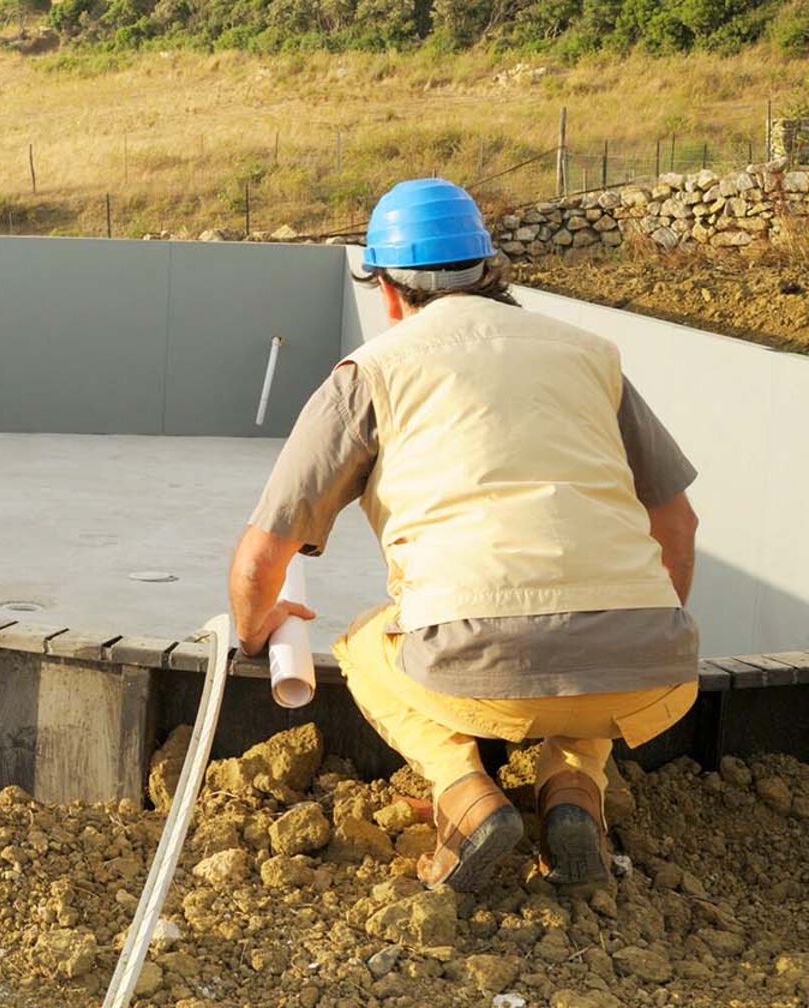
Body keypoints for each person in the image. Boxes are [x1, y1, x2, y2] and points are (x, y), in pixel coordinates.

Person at [227, 178, 701, 891]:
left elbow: (264, 553)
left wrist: (256, 625)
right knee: (589, 647)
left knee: (363, 643)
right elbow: (677, 522)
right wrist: (647, 624)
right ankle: (574, 792)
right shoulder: (590, 353)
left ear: (386, 290)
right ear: (488, 270)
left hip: (476, 664)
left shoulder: (372, 374)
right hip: (654, 671)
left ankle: (465, 796)